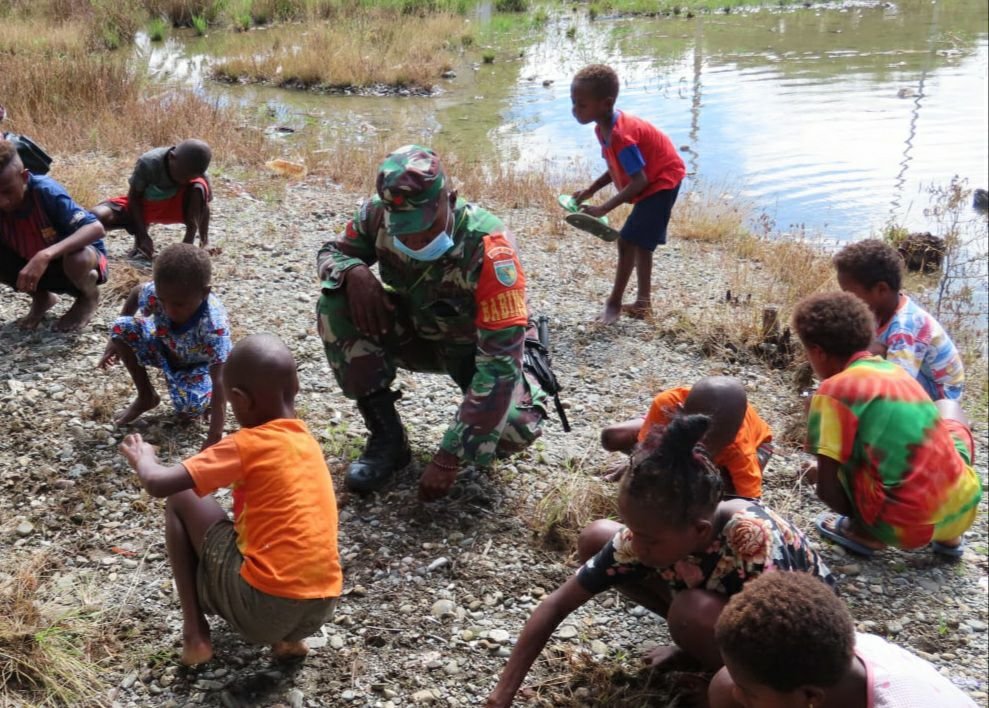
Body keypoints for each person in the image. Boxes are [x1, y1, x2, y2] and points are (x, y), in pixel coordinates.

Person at [485, 415, 833, 708]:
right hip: (720, 599)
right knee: (598, 537)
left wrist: (736, 687)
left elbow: (783, 642)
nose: (635, 542)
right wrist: (502, 694)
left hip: (787, 637)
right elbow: (557, 603)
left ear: (700, 531)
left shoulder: (753, 540)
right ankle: (698, 647)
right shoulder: (652, 536)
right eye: (634, 529)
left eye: (649, 537)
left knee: (690, 612)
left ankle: (725, 672)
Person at [316, 144, 547, 499]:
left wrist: (449, 455)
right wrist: (354, 271)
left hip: (475, 350)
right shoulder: (376, 215)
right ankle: (388, 439)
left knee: (515, 429)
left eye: (424, 227)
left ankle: (526, 381)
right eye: (403, 231)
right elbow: (330, 252)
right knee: (335, 304)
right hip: (415, 334)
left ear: (449, 199)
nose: (414, 239)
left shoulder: (491, 249)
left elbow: (499, 366)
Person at [119, 334, 342, 666]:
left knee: (181, 497)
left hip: (265, 609)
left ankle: (195, 637)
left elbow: (159, 484)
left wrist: (144, 458)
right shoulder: (306, 441)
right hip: (322, 605)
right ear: (293, 388)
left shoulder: (247, 443)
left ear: (240, 399)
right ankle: (290, 640)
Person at [793, 292, 981, 558]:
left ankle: (863, 535)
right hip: (964, 509)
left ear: (818, 352)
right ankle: (950, 539)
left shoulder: (831, 390)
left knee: (845, 449)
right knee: (948, 410)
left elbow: (826, 489)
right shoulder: (897, 371)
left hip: (901, 527)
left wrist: (860, 521)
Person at [709, 571, 978, 708]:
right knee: (722, 688)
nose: (738, 693)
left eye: (750, 693)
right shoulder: (831, 651)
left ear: (810, 696)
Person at [569, 64, 685, 324]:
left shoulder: (622, 135)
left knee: (627, 241)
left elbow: (639, 180)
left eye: (581, 105)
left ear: (605, 103)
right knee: (641, 242)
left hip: (662, 181)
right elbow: (615, 167)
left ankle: (614, 304)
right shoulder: (603, 128)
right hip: (651, 179)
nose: (574, 110)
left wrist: (603, 209)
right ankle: (643, 303)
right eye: (573, 103)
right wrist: (590, 191)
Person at [98, 243, 230, 448]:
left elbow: (220, 377)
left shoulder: (213, 325)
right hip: (162, 348)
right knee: (120, 328)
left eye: (178, 304)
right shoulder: (162, 292)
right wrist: (112, 344)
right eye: (163, 301)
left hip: (195, 365)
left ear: (205, 292)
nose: (169, 310)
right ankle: (146, 395)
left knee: (189, 408)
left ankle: (204, 394)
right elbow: (136, 292)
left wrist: (214, 435)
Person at [833, 238, 965, 400]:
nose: (847, 300)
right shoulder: (882, 308)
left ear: (881, 289)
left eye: (850, 294)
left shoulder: (905, 328)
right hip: (916, 371)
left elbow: (898, 386)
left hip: (941, 394)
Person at [600, 376, 772, 499]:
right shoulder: (666, 405)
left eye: (718, 446)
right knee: (612, 437)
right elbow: (646, 453)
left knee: (717, 491)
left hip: (759, 444)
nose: (708, 449)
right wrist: (636, 463)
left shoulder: (739, 447)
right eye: (702, 440)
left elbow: (751, 503)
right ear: (681, 412)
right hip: (674, 422)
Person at [0, 138, 107, 331]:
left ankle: (88, 297)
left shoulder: (45, 191)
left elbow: (95, 228)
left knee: (78, 258)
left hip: (77, 264)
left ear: (24, 177)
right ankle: (42, 297)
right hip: (36, 267)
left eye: (7, 191)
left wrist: (45, 255)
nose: (3, 202)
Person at [92, 139, 212, 259]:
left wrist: (204, 242)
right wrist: (142, 235)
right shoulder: (149, 163)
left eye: (190, 177)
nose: (185, 180)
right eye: (183, 175)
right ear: (172, 157)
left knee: (199, 187)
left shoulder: (198, 171)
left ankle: (186, 246)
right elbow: (134, 198)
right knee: (95, 217)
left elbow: (204, 207)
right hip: (146, 206)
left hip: (176, 207)